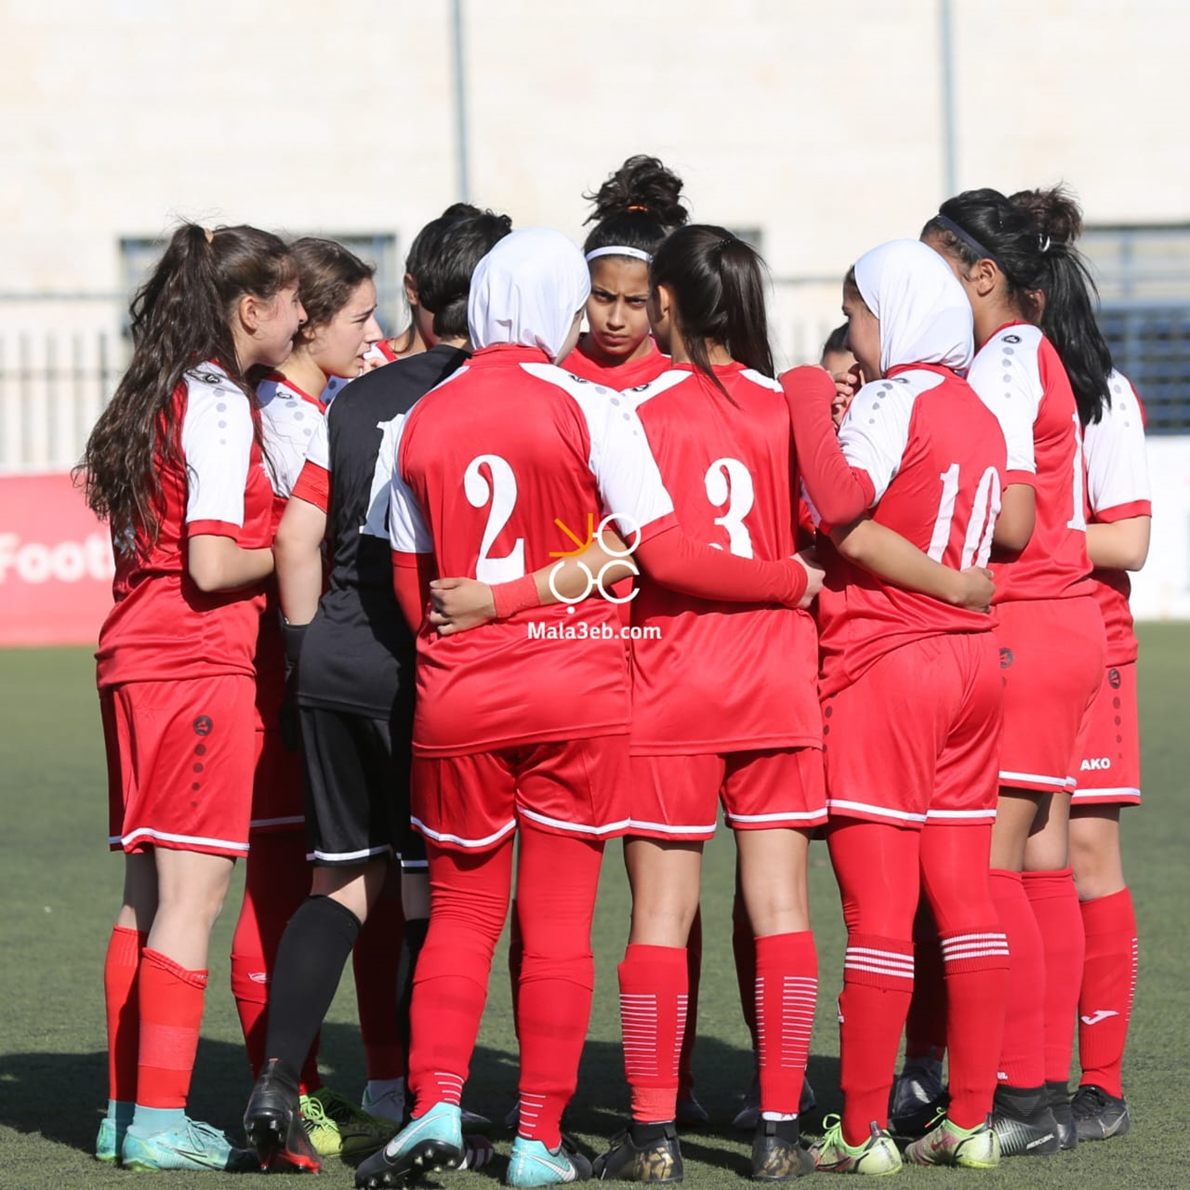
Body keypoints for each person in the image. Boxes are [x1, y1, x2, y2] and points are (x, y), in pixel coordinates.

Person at [354, 227, 820, 1190]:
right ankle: (538, 1140)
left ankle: (435, 1102)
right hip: (584, 690)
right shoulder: (597, 408)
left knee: (462, 913)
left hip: (460, 696)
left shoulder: (419, 420)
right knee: (561, 923)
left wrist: (477, 621)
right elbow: (643, 552)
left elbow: (409, 586)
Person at [241, 210, 512, 1174]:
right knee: (439, 888)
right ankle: (422, 1100)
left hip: (332, 661)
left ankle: (277, 1079)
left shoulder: (354, 400)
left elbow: (296, 536)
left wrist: (304, 653)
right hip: (428, 673)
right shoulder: (498, 397)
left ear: (417, 293)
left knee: (341, 882)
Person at [79, 222, 303, 1172]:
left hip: (137, 657)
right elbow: (211, 563)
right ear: (249, 310)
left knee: (145, 893)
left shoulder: (161, 388)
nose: (301, 319)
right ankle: (160, 1120)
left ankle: (126, 1110)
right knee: (194, 893)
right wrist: (297, 546)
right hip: (193, 661)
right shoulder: (215, 400)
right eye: (292, 303)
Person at [783, 240, 1009, 1174]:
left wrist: (805, 395)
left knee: (878, 911)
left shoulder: (893, 396)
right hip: (973, 670)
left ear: (896, 312)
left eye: (858, 313)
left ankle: (864, 1128)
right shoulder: (978, 410)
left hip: (889, 661)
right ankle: (973, 1120)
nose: (855, 334)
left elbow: (841, 507)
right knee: (968, 901)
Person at [922, 189, 1108, 1155]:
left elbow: (1004, 520)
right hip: (1058, 622)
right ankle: (1041, 1093)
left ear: (982, 274)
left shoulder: (1002, 358)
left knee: (992, 868)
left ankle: (1023, 1095)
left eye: (935, 270)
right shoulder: (1020, 352)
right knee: (1037, 865)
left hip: (1025, 623)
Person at [233, 236, 399, 1163]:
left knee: (353, 875)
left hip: (310, 667)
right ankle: (286, 1090)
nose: (374, 338)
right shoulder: (282, 415)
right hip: (284, 673)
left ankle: (355, 1081)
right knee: (287, 885)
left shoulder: (324, 404)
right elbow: (298, 541)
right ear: (308, 322)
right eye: (360, 320)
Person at [1009, 186, 1151, 1142]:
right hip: (1004, 644)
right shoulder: (986, 384)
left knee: (1085, 854)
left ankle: (1099, 1084)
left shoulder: (1102, 393)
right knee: (1017, 856)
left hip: (1088, 645)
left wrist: (1028, 539)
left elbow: (1129, 540)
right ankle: (1023, 1073)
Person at [565, 155, 688, 389]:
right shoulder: (552, 368)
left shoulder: (678, 377)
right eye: (603, 296)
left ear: (662, 299)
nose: (615, 320)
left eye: (636, 301)